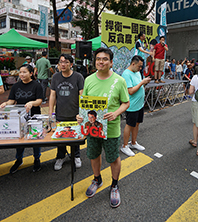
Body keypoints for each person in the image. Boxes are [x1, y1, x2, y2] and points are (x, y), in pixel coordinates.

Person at [77, 47, 129, 208]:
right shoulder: (88, 80)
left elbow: (125, 103)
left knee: (113, 157)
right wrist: (81, 116)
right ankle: (97, 179)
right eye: (98, 58)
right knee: (93, 154)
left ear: (111, 62)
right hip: (92, 129)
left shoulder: (119, 80)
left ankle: (114, 185)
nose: (101, 61)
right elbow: (85, 102)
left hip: (111, 128)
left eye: (105, 59)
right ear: (95, 62)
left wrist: (116, 113)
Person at [0, 64, 43, 173]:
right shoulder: (15, 86)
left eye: (24, 72)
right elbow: (11, 101)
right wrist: (5, 103)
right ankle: (19, 159)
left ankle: (37, 158)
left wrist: (31, 103)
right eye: (20, 72)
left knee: (35, 139)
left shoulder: (36, 85)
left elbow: (39, 101)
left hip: (34, 117)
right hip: (19, 117)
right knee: (19, 139)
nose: (22, 74)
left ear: (31, 73)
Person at [49, 54, 84, 170]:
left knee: (75, 136)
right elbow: (52, 95)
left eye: (66, 62)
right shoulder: (55, 77)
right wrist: (50, 114)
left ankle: (76, 155)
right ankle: (61, 156)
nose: (63, 64)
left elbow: (82, 95)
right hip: (60, 113)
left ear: (71, 64)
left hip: (75, 113)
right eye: (61, 62)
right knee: (60, 138)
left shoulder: (78, 77)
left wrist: (82, 113)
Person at [121, 56, 151, 157]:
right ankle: (125, 145)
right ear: (133, 64)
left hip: (140, 104)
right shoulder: (126, 74)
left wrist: (144, 84)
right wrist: (142, 82)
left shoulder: (137, 72)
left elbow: (138, 86)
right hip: (132, 105)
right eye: (139, 66)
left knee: (137, 123)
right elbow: (131, 91)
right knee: (129, 124)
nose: (140, 69)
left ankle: (133, 142)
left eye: (141, 67)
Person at [189, 74, 198, 156]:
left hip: (196, 102)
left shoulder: (196, 77)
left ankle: (195, 141)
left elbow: (190, 92)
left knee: (196, 123)